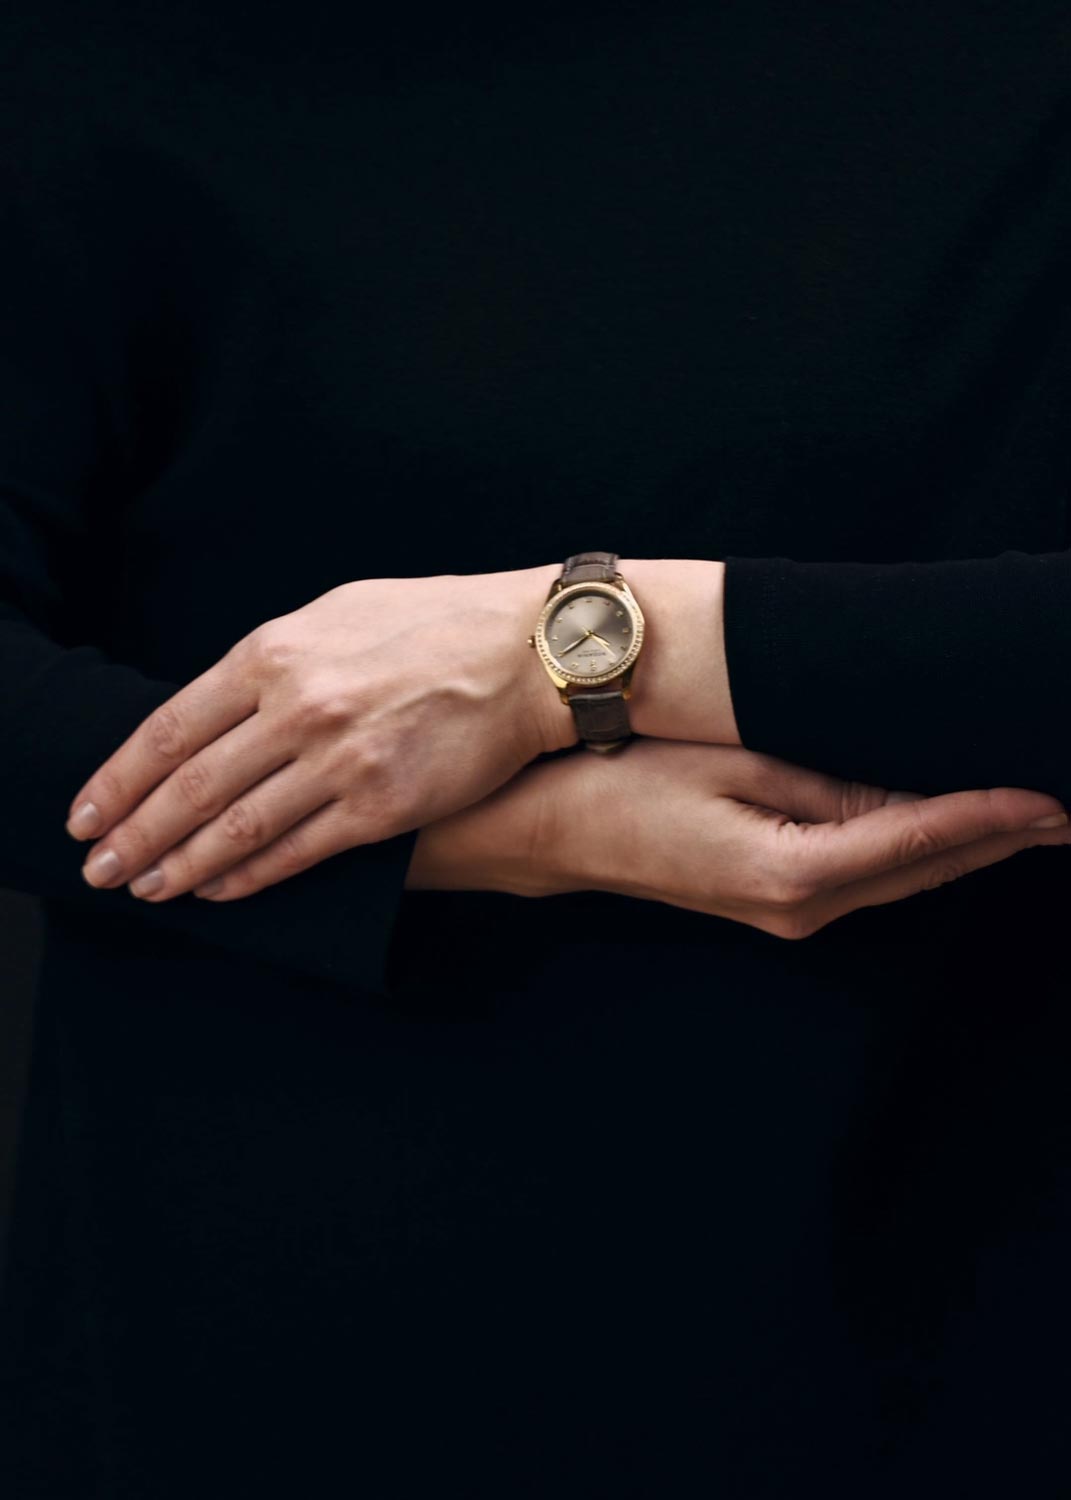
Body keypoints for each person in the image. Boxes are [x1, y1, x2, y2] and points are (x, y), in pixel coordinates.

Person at [2, 2, 1070, 1494]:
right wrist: (532, 834)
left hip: (951, 1303)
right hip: (266, 1339)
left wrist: (571, 651)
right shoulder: (95, 54)